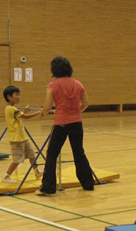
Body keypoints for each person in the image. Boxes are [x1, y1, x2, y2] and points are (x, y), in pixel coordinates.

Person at [36, 56, 94, 195]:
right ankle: (88, 184)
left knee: (52, 154)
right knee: (79, 152)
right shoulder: (78, 84)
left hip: (61, 123)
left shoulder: (52, 86)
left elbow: (48, 106)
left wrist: (42, 113)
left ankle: (48, 188)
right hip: (77, 123)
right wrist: (76, 112)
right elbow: (86, 103)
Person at [1, 86, 43, 183]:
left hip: (22, 138)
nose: (18, 97)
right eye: (16, 94)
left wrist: (24, 111)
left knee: (32, 155)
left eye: (19, 94)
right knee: (17, 160)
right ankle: (6, 176)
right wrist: (39, 112)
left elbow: (19, 116)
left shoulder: (13, 109)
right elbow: (25, 117)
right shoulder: (10, 109)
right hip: (16, 140)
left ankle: (37, 172)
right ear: (9, 97)